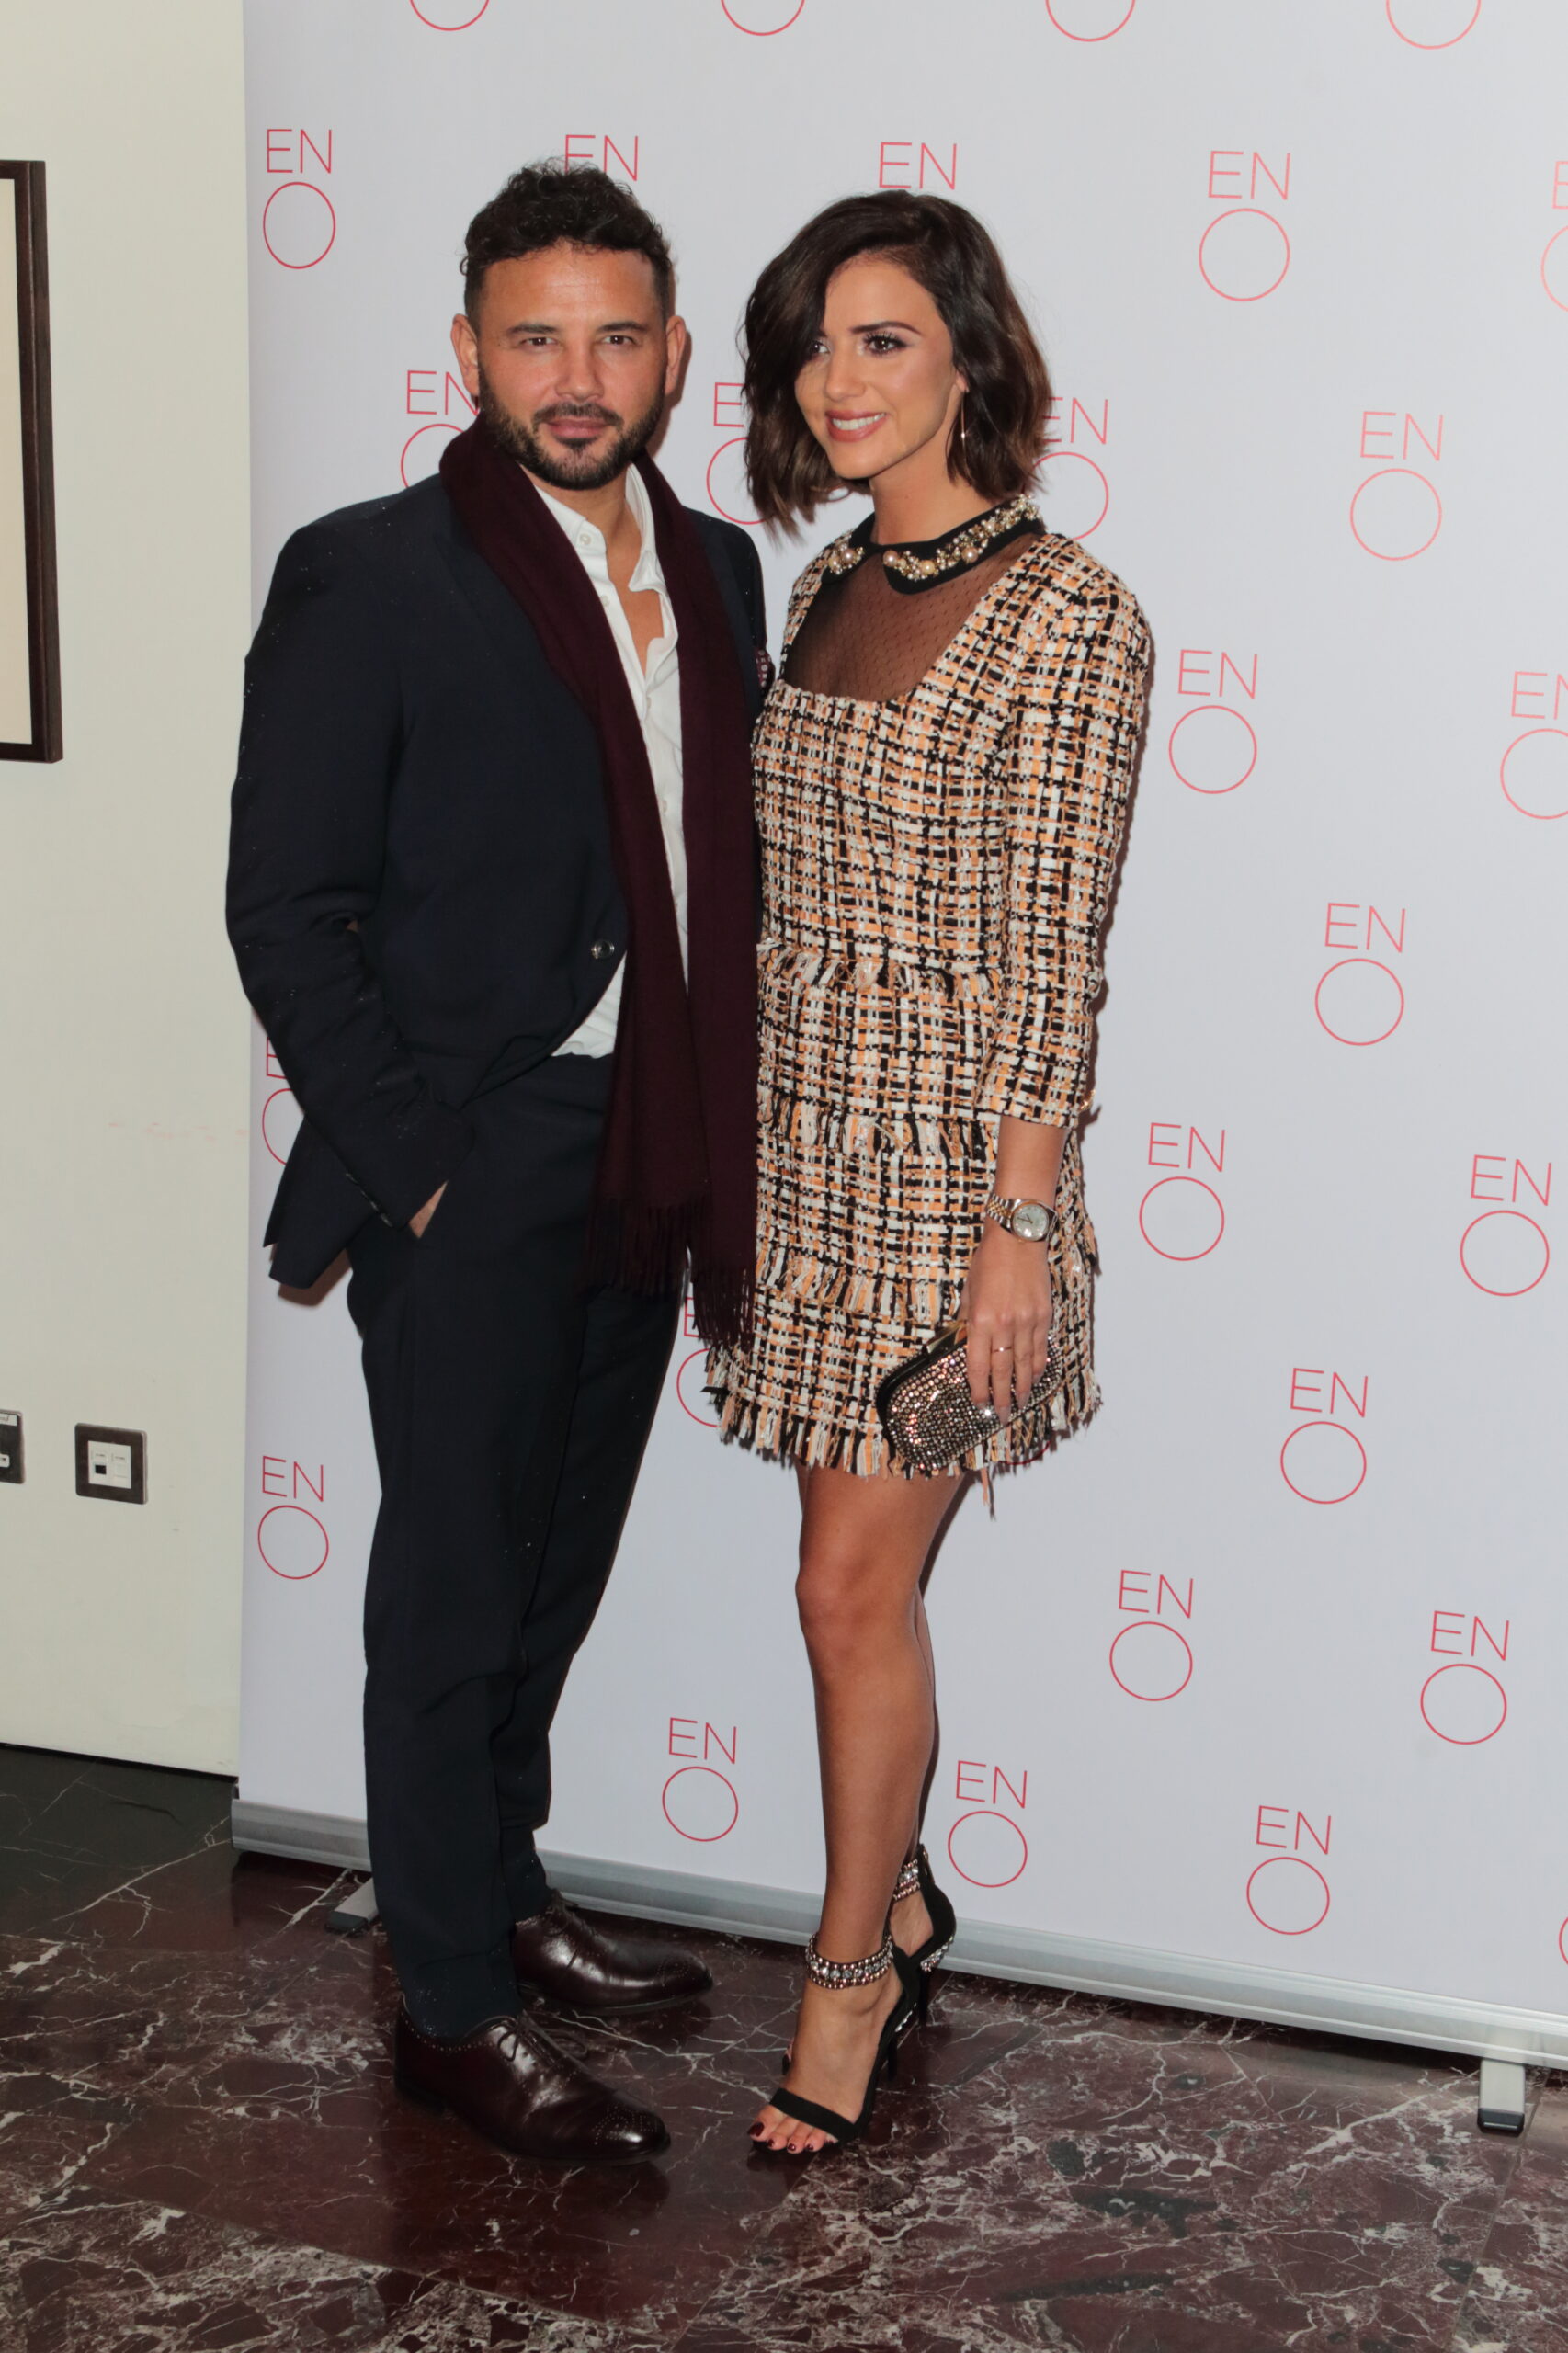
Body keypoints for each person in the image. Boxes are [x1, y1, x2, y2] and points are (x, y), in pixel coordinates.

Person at [227, 164, 767, 2165]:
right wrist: (422, 1165)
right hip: (476, 1149)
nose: (576, 374)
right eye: (534, 336)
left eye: (615, 335)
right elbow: (285, 905)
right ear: (466, 350)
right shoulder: (371, 571)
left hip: (653, 1140)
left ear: (672, 354)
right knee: (454, 1585)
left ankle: (506, 1880)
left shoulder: (720, 569)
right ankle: (448, 2003)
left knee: (556, 1556)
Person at [707, 190, 1151, 2155]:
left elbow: (1056, 954)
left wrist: (1018, 1233)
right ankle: (890, 1894)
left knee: (841, 1588)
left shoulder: (1072, 618)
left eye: (881, 337)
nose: (839, 378)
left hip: (956, 1195)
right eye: (814, 344)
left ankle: (847, 1976)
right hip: (801, 1171)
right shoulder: (824, 584)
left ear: (970, 357)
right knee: (843, 1593)